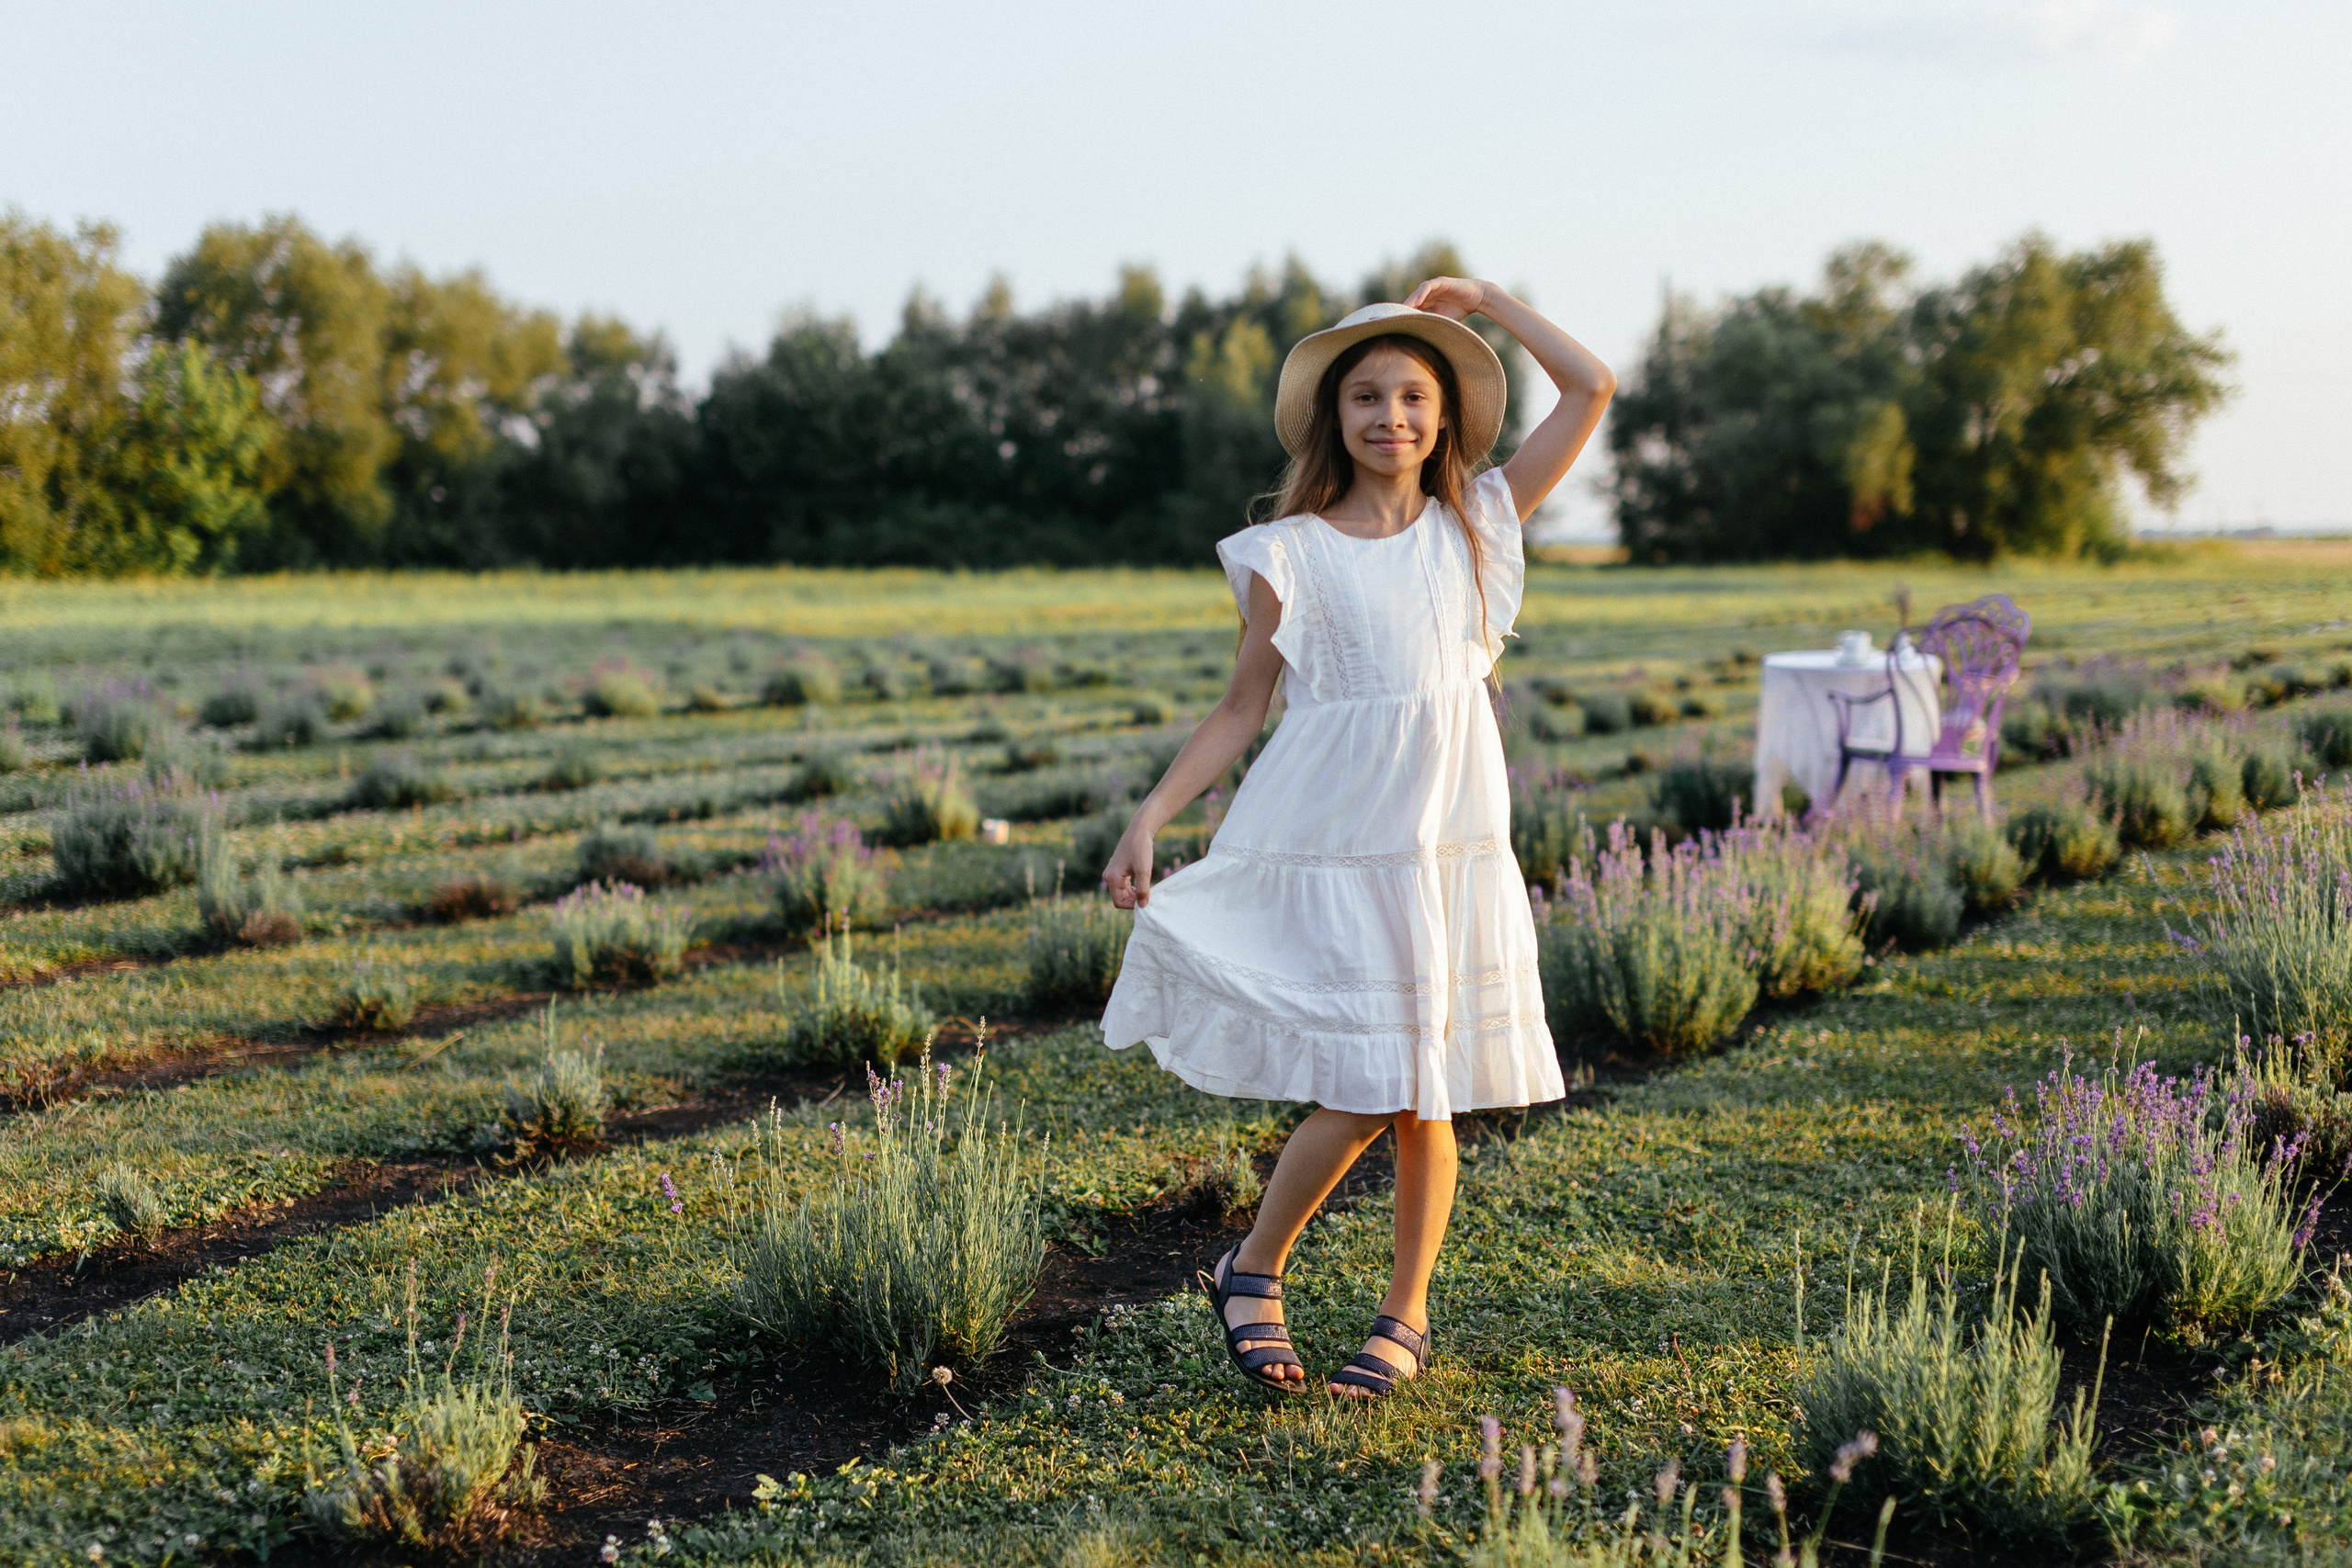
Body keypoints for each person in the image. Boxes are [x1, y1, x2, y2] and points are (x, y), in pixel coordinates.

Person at [1097, 276, 1614, 1397]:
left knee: (1428, 1086)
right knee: (1376, 1082)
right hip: (1336, 835)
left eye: (1415, 396)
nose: (1391, 416)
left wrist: (1490, 302)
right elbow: (1241, 707)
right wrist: (1150, 816)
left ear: (1446, 418)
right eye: (1367, 397)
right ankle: (1254, 1265)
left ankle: (1402, 1315)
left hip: (1444, 846)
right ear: (1334, 420)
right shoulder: (1291, 552)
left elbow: (1590, 387)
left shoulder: (1475, 524)